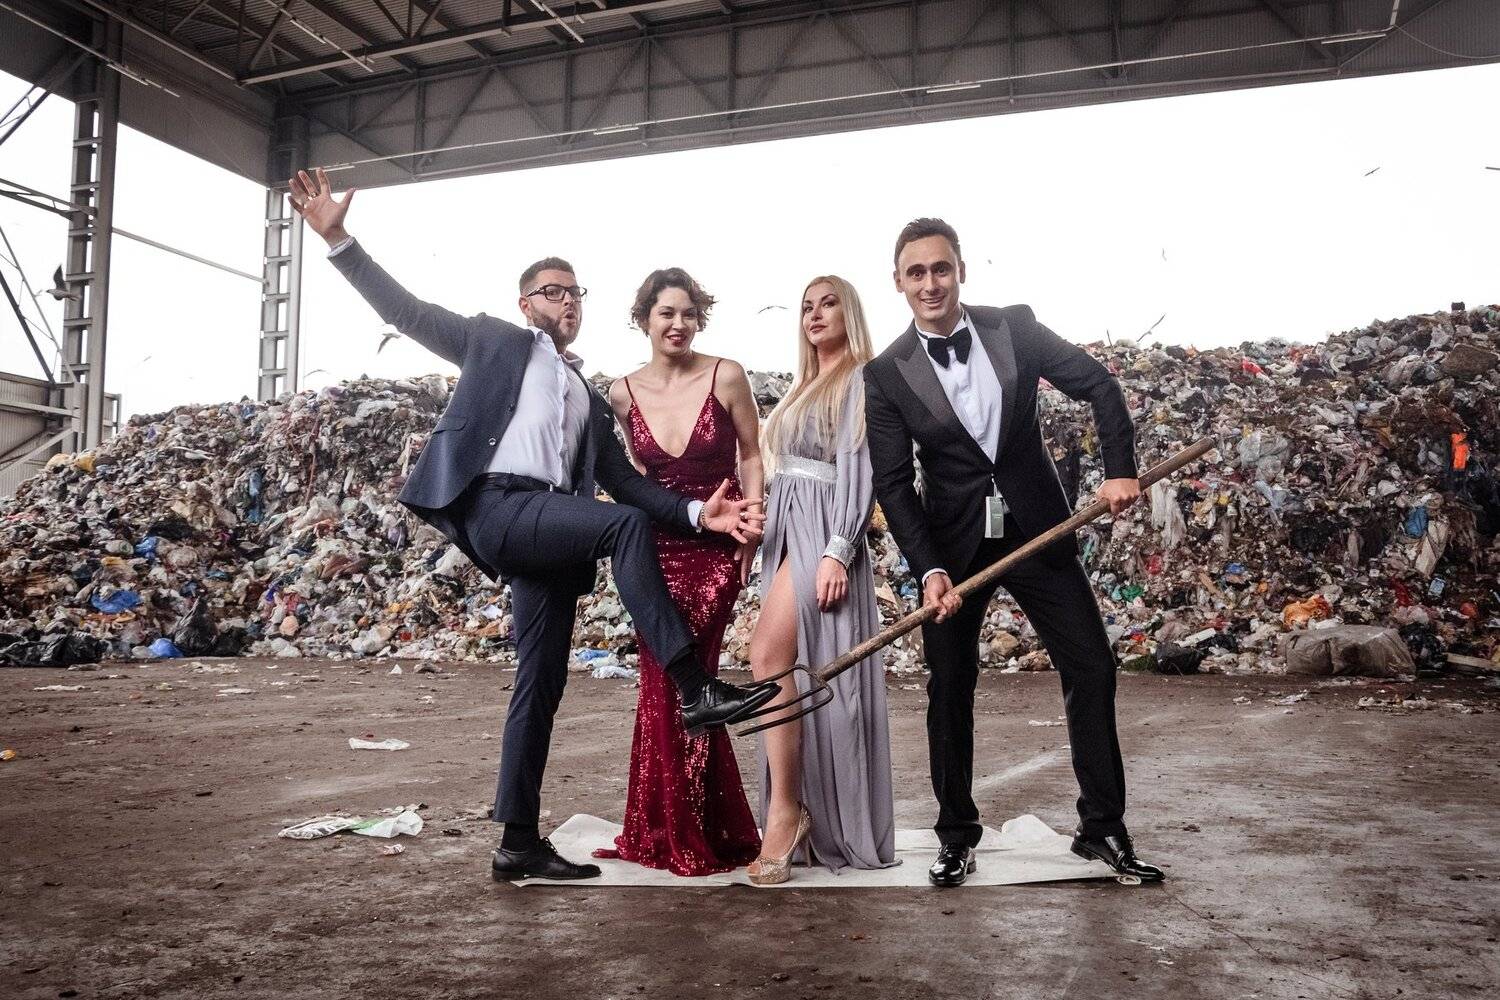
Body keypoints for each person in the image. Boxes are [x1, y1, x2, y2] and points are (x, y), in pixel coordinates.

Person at [286, 168, 776, 882]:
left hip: (547, 530)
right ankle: (695, 687)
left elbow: (627, 482)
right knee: (624, 530)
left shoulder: (586, 392)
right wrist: (339, 241)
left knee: (540, 684)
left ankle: (517, 843)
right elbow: (408, 311)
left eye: (576, 292)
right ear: (525, 303)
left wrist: (702, 512)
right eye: (553, 290)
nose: (567, 301)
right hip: (498, 506)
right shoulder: (493, 341)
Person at [864, 217, 1164, 886]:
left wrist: (1121, 469)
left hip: (1037, 528)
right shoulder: (885, 374)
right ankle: (955, 835)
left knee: (1092, 666)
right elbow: (893, 482)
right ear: (899, 283)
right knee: (950, 687)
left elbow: (1100, 384)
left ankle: (1102, 829)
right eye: (916, 272)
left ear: (961, 271)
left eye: (941, 268)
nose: (931, 283)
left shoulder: (1014, 328)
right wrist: (928, 567)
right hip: (952, 548)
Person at [594, 268, 764, 876]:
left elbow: (751, 453)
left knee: (693, 676)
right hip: (655, 546)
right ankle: (662, 826)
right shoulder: (620, 393)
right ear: (645, 319)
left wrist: (752, 525)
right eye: (667, 313)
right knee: (659, 679)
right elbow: (636, 479)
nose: (679, 324)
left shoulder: (727, 375)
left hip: (717, 544)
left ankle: (689, 829)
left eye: (689, 313)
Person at [745, 275, 897, 885]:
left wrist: (839, 549)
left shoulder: (860, 378)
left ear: (849, 312)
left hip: (823, 532)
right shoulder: (803, 385)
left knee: (767, 656)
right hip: (788, 531)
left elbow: (862, 468)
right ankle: (794, 807)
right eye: (807, 306)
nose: (815, 314)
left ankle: (787, 812)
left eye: (828, 303)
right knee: (782, 662)